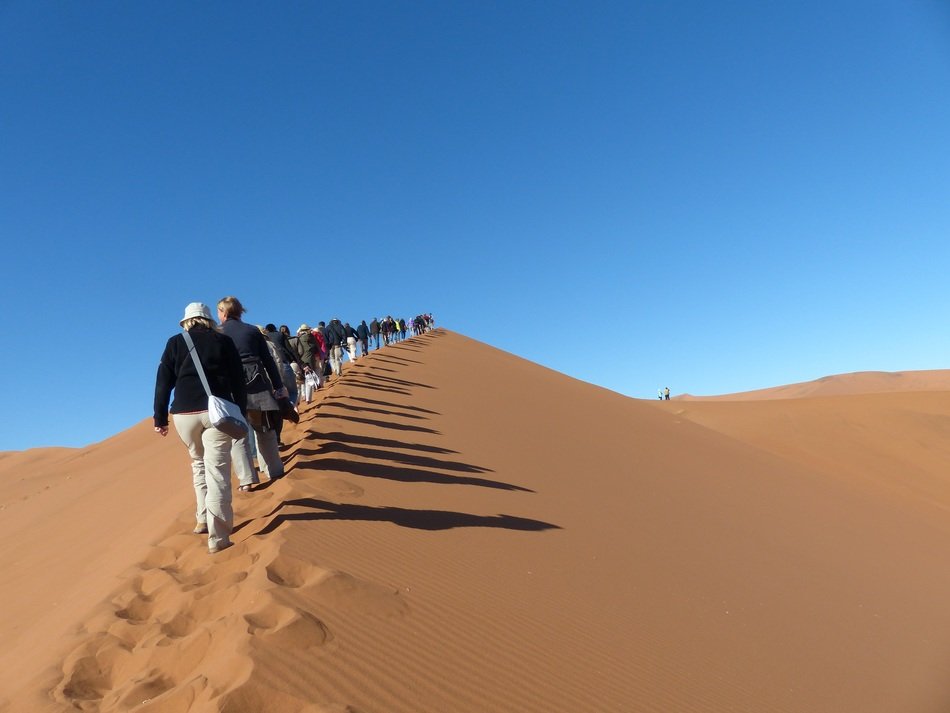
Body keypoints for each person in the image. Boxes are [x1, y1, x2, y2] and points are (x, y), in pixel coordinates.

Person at [153, 302, 246, 554]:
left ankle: (202, 518)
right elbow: (238, 380)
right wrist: (242, 412)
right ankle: (218, 537)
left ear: (186, 321)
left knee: (198, 464)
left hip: (184, 414)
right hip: (217, 412)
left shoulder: (174, 342)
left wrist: (159, 418)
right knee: (217, 471)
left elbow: (163, 382)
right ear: (208, 320)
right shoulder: (223, 342)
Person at [217, 296, 287, 482]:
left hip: (231, 389)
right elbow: (268, 360)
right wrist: (278, 386)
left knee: (237, 435)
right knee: (265, 429)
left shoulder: (217, 333)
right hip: (258, 385)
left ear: (223, 312)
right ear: (240, 311)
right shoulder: (252, 330)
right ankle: (274, 470)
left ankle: (247, 479)